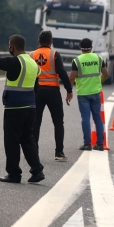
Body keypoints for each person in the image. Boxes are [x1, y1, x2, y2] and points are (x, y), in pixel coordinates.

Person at [0, 35, 45, 184]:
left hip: (14, 108)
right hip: (30, 108)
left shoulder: (14, 61)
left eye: (10, 46)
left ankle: (14, 174)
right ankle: (37, 171)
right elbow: (36, 87)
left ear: (12, 47)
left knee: (12, 141)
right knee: (28, 139)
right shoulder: (33, 63)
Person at [30, 30, 73, 162]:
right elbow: (62, 73)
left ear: (38, 41)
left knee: (35, 122)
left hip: (37, 91)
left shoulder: (31, 55)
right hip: (53, 91)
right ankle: (59, 152)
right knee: (58, 122)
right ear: (51, 42)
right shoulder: (54, 54)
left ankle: (34, 152)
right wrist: (69, 90)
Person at [68, 38, 109, 151]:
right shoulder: (99, 58)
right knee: (97, 118)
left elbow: (72, 77)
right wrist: (99, 81)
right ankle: (100, 144)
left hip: (83, 93)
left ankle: (87, 144)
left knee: (85, 118)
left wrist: (69, 91)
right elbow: (106, 74)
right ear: (91, 47)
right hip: (96, 92)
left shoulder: (77, 60)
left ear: (80, 48)